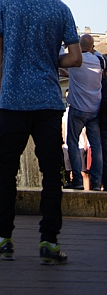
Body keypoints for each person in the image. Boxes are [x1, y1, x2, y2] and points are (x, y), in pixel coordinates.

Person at [0, 0, 81, 263]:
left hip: (13, 101)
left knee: (6, 173)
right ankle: (49, 241)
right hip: (48, 102)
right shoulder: (61, 8)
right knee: (51, 174)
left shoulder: (6, 2)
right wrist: (50, 59)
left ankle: (3, 237)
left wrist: (5, 84)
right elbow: (76, 59)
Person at [65, 34, 103, 190]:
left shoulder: (75, 61)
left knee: (72, 143)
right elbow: (95, 52)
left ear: (79, 46)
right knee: (96, 146)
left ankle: (77, 180)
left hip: (77, 109)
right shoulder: (100, 61)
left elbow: (59, 57)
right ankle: (96, 182)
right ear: (92, 47)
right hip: (95, 109)